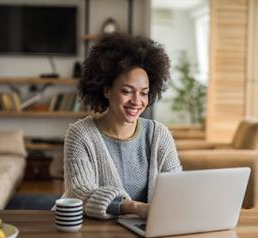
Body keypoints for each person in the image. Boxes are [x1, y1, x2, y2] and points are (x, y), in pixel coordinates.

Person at [63, 33, 182, 220]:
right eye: (126, 91)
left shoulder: (159, 135)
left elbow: (177, 189)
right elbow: (80, 193)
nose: (137, 101)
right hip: (94, 229)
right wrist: (134, 207)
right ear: (107, 90)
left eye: (144, 93)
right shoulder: (80, 134)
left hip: (146, 229)